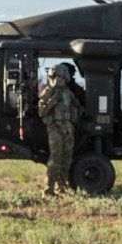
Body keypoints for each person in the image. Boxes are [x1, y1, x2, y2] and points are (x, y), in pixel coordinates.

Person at [38, 64, 80, 197]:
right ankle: (48, 190)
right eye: (56, 76)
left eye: (61, 76)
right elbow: (41, 111)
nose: (58, 79)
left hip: (68, 129)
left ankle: (61, 187)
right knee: (55, 160)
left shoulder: (69, 93)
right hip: (55, 129)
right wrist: (53, 101)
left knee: (66, 160)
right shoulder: (49, 91)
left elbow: (77, 108)